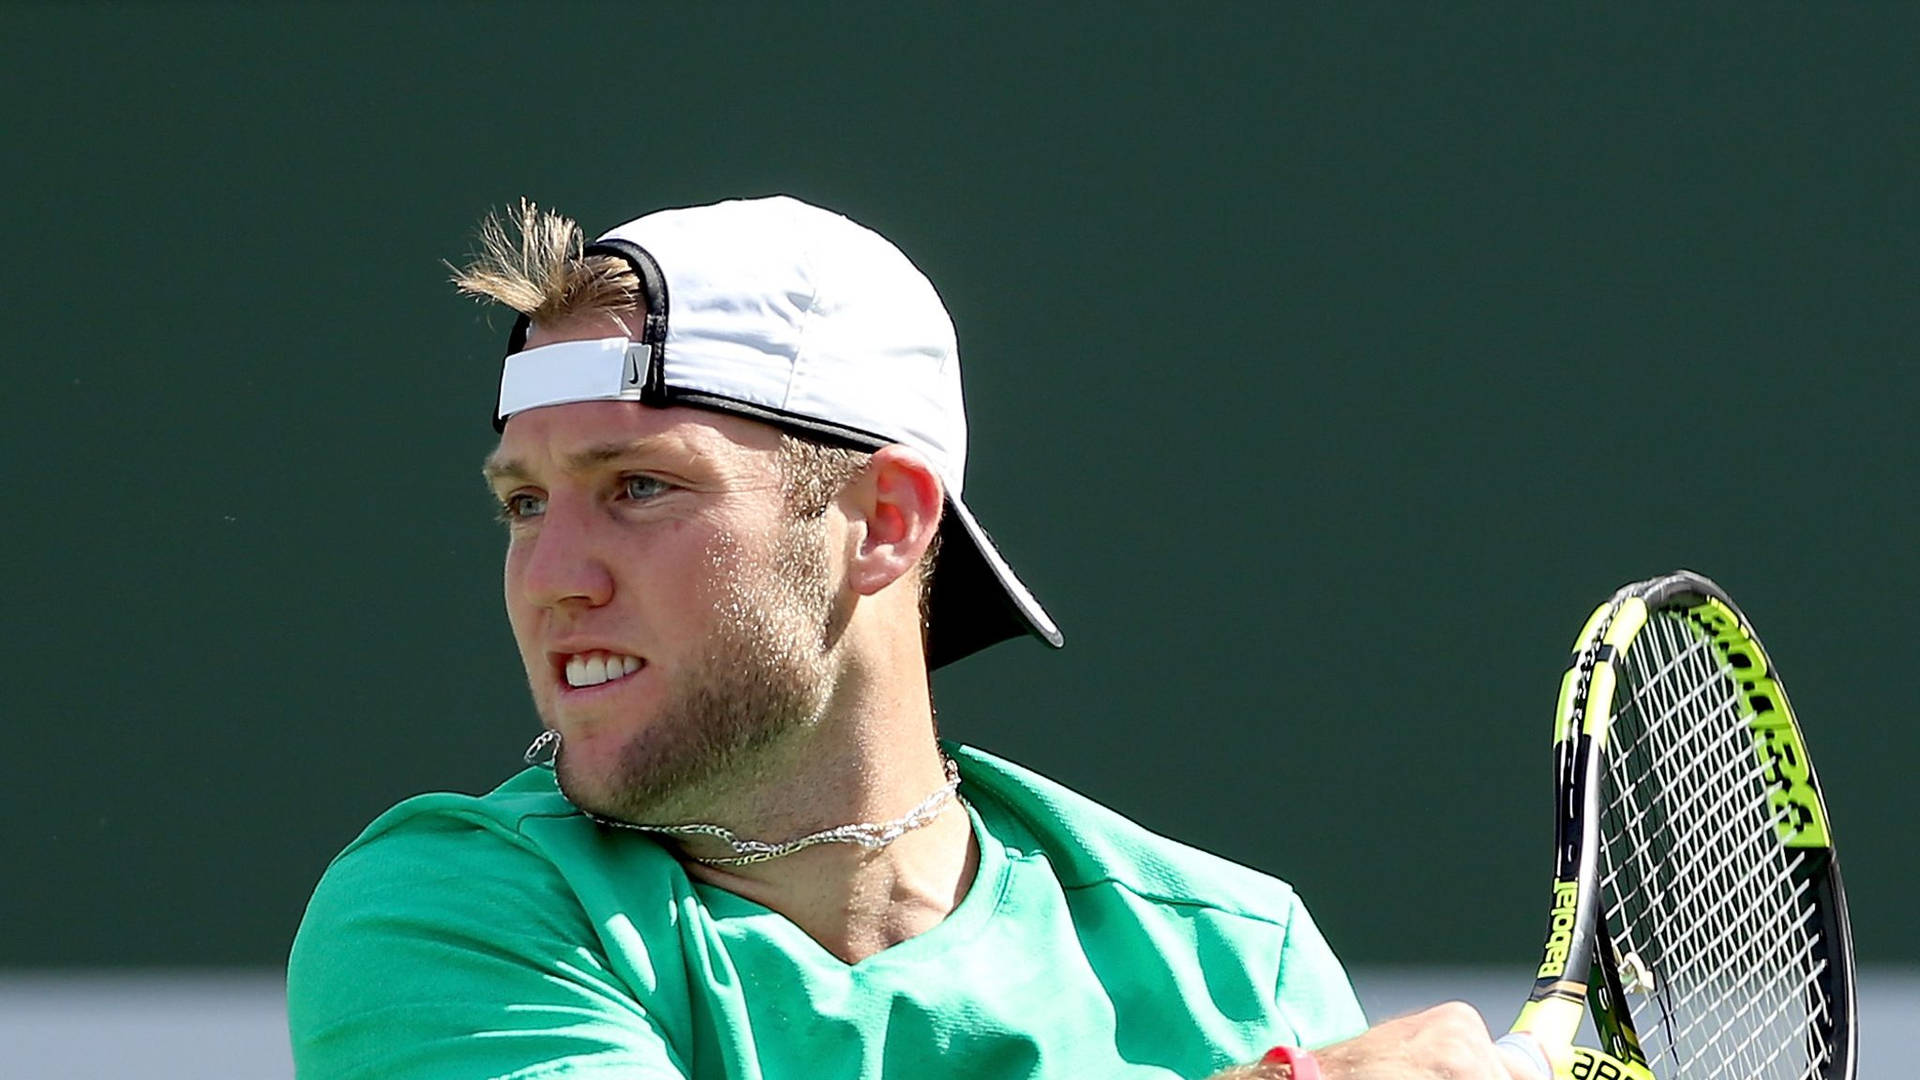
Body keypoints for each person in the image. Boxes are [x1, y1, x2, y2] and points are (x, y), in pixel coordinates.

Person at [286, 194, 1541, 1079]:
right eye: (523, 504)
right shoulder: (441, 914)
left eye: (639, 487)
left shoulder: (1227, 951)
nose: (551, 577)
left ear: (882, 522)